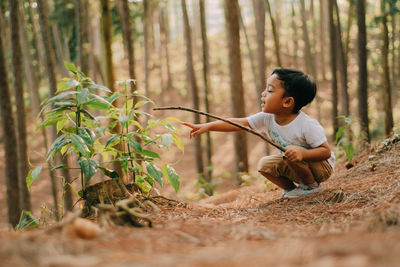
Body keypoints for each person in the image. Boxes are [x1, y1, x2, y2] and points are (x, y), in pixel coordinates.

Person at [183, 68, 334, 198]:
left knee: (291, 152)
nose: (263, 94)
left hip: (321, 168)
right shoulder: (267, 118)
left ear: (287, 102)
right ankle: (292, 190)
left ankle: (311, 188)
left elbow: (325, 151)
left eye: (269, 90)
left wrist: (302, 154)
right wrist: (208, 126)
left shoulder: (306, 125)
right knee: (264, 165)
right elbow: (239, 123)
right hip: (295, 163)